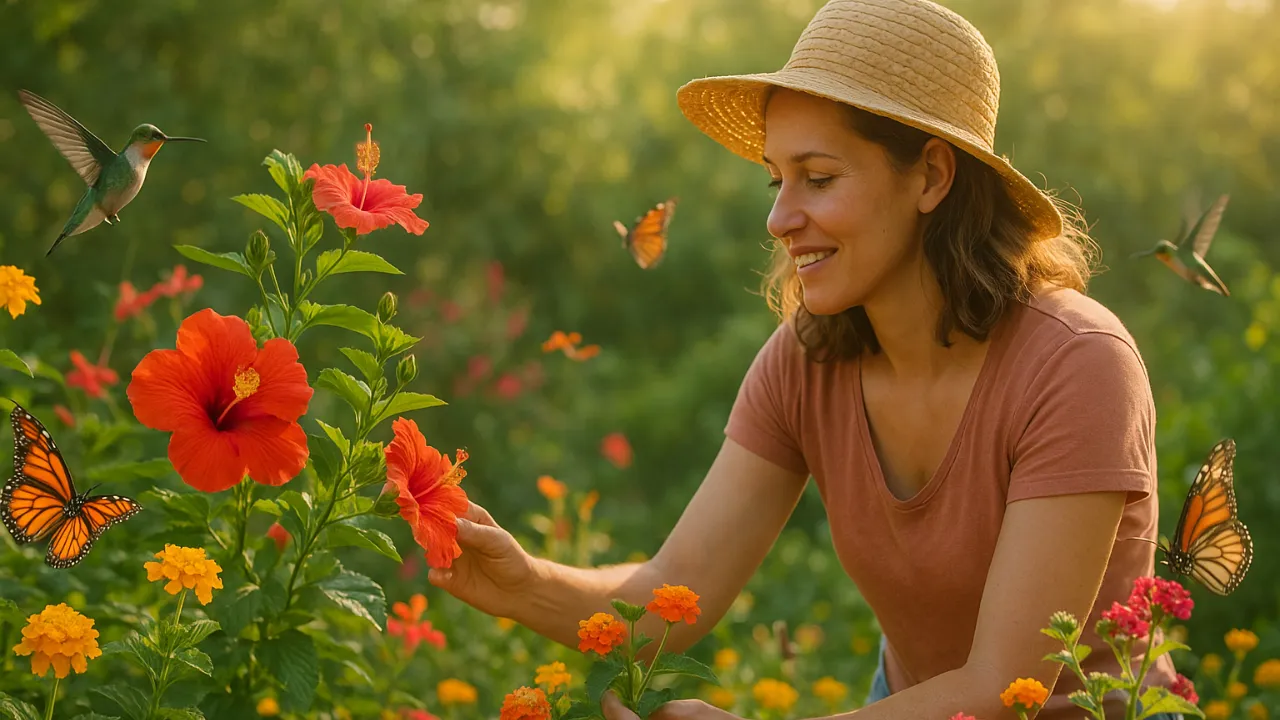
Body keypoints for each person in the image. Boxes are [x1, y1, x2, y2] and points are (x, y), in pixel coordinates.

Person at [428, 0, 1183, 718]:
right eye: (776, 178)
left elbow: (1003, 689)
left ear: (931, 176)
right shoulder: (806, 359)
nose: (779, 217)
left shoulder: (1077, 365)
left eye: (818, 179)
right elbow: (669, 591)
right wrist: (524, 584)